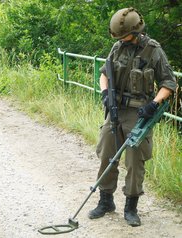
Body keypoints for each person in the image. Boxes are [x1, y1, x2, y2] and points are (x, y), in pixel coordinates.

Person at [88, 8, 177, 227]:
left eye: (124, 35)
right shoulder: (117, 47)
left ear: (136, 31)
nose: (120, 39)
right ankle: (106, 200)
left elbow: (169, 83)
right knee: (106, 154)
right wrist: (105, 93)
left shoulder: (153, 50)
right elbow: (103, 74)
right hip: (115, 110)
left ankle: (131, 207)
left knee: (135, 160)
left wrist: (154, 104)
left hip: (139, 114)